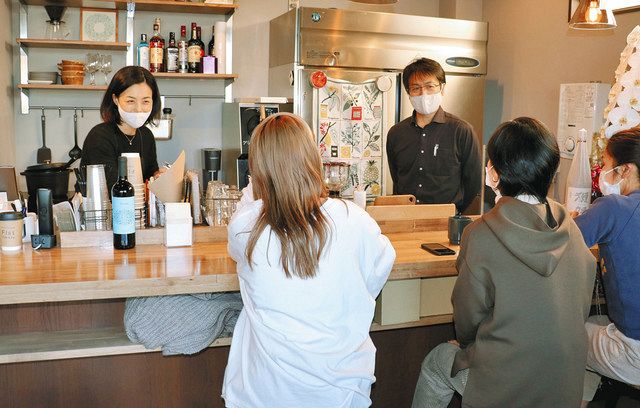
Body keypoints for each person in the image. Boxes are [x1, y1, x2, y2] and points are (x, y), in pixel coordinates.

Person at [411, 117, 596, 408]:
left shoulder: (481, 233)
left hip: (506, 388)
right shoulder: (570, 228)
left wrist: (467, 346)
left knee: (437, 362)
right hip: (564, 384)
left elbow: (467, 316)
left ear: (495, 173)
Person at [222, 113, 396, 408]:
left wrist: (255, 191)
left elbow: (248, 224)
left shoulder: (245, 227)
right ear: (313, 159)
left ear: (256, 169)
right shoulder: (353, 219)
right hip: (340, 393)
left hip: (264, 393)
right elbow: (378, 269)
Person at [573, 128, 640, 407]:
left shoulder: (614, 207)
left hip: (634, 353)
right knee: (595, 325)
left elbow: (560, 241)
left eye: (606, 165)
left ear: (625, 170)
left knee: (565, 335)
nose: (602, 173)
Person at [386, 58, 481, 213]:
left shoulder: (462, 131)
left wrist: (454, 211)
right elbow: (397, 179)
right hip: (406, 216)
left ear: (442, 88)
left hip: (446, 219)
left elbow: (473, 182)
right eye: (416, 88)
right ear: (408, 93)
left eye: (430, 86)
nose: (423, 93)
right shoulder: (396, 133)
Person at [80, 66, 162, 188]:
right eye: (130, 101)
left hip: (137, 201)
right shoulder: (99, 136)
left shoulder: (146, 135)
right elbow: (112, 188)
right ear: (115, 99)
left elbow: (151, 175)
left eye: (145, 101)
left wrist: (159, 177)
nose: (138, 109)